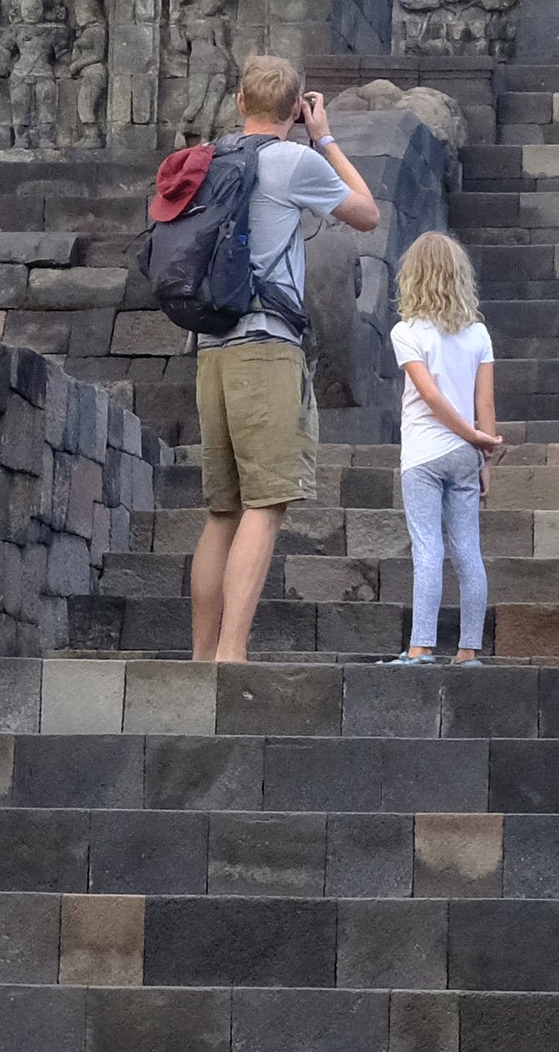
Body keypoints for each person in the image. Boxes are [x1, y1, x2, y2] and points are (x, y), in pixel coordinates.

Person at [188, 55, 380, 666]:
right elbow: (367, 212)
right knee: (265, 503)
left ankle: (201, 656)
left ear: (240, 101)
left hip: (211, 347)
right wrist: (322, 136)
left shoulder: (208, 160)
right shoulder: (293, 160)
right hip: (265, 345)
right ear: (294, 107)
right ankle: (232, 655)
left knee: (222, 511)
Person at [389, 231, 503, 666]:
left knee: (428, 549)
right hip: (465, 455)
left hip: (423, 454)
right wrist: (482, 454)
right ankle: (468, 649)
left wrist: (477, 440)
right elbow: (485, 404)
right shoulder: (478, 333)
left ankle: (421, 646)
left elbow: (431, 397)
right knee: (468, 551)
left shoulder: (407, 332)